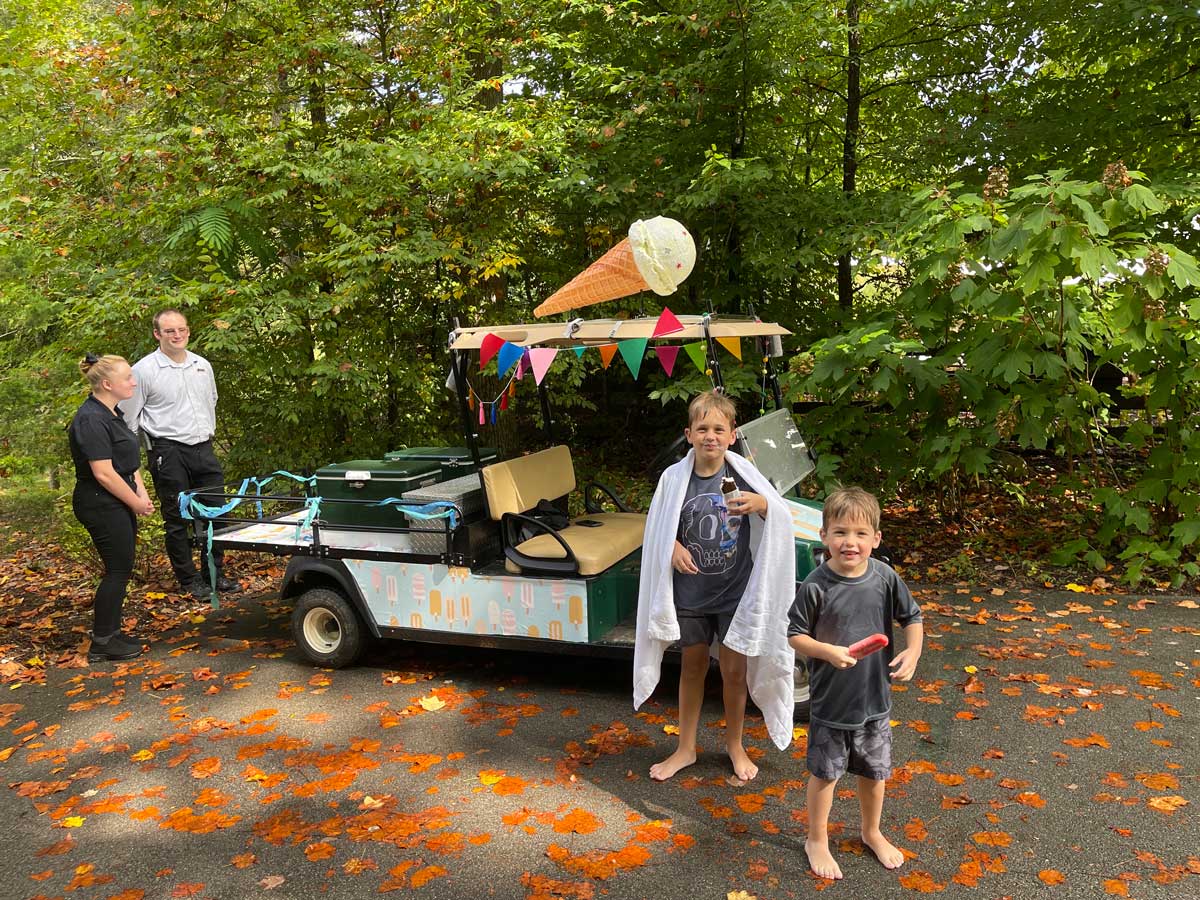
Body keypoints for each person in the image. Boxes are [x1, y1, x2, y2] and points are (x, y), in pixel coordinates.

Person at [634, 391, 797, 782]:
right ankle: (686, 747)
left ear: (732, 434)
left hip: (735, 593)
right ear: (688, 434)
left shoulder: (744, 476)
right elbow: (657, 529)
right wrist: (671, 546)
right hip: (691, 593)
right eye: (702, 428)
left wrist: (763, 505)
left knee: (734, 671)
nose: (710, 435)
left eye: (718, 428)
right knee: (691, 667)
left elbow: (781, 519)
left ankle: (735, 745)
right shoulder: (674, 479)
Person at [787, 486, 924, 880]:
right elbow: (794, 635)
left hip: (874, 702)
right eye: (841, 532)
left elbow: (911, 618)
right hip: (831, 704)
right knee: (826, 775)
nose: (851, 542)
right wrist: (828, 652)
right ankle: (816, 838)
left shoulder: (884, 577)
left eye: (861, 534)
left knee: (874, 774)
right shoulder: (816, 584)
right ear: (824, 536)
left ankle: (871, 831)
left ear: (876, 539)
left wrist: (913, 652)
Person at [123, 309, 241, 597]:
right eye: (169, 331)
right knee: (177, 519)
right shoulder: (143, 370)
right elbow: (128, 419)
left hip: (203, 447)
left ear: (188, 331)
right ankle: (189, 581)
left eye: (182, 330)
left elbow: (211, 400)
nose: (177, 336)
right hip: (168, 451)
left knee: (217, 513)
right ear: (157, 334)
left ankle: (214, 574)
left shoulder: (202, 365)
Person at [68, 354, 156, 662]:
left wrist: (141, 495)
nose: (134, 382)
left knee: (122, 568)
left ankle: (113, 633)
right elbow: (103, 472)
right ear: (107, 384)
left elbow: (128, 464)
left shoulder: (113, 413)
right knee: (117, 570)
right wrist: (135, 502)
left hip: (119, 502)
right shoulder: (90, 419)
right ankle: (103, 642)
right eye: (128, 377)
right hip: (100, 504)